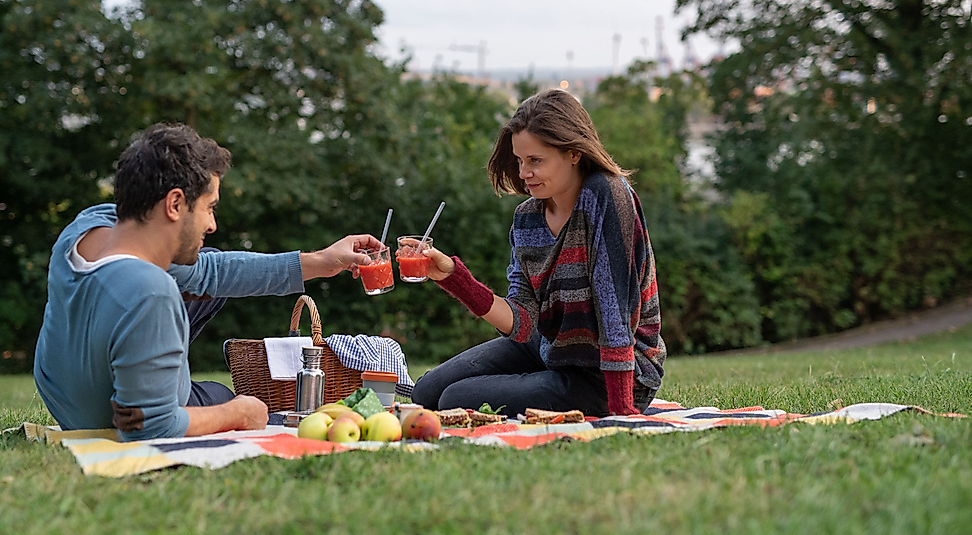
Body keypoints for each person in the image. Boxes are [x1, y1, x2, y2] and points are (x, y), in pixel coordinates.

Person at [33, 123, 383, 440]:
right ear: (174, 204)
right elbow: (151, 430)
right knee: (224, 397)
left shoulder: (84, 227)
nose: (212, 224)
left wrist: (320, 261)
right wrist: (238, 413)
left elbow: (215, 272)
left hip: (68, 399)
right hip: (109, 418)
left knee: (208, 278)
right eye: (209, 208)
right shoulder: (151, 291)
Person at [411, 89, 665, 417]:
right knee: (425, 393)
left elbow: (615, 310)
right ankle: (538, 386)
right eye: (519, 160)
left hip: (611, 376)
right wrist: (452, 276)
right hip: (552, 349)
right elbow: (523, 323)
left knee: (454, 399)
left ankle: (550, 390)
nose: (523, 173)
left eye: (535, 161)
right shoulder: (527, 218)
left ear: (573, 153)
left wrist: (621, 413)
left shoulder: (608, 195)